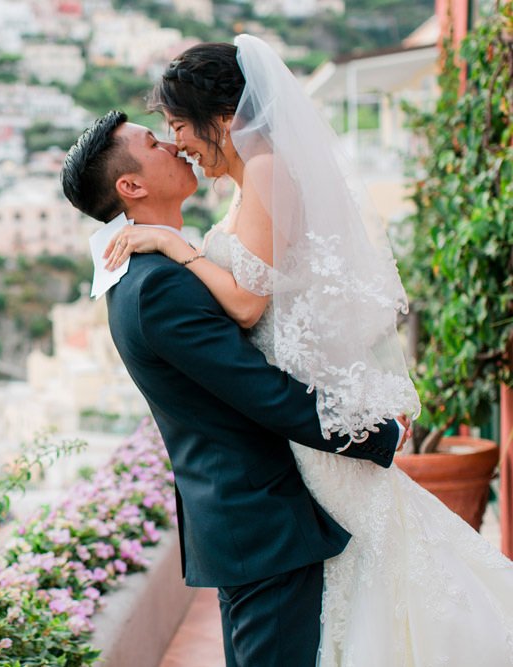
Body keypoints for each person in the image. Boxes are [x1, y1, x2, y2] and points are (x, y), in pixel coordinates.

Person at [101, 35, 513, 666]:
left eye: (180, 126)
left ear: (226, 117)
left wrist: (177, 247)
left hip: (309, 428)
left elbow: (246, 305)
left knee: (378, 579)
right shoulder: (246, 182)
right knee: (362, 587)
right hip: (296, 435)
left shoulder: (264, 169)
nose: (178, 140)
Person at [60, 110, 410, 667]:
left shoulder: (154, 273)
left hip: (249, 524)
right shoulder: (157, 288)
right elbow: (261, 391)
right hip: (259, 523)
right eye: (154, 142)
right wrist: (374, 434)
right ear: (131, 186)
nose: (174, 146)